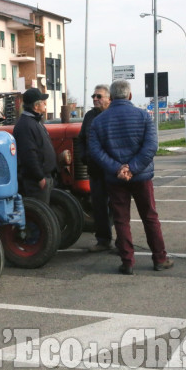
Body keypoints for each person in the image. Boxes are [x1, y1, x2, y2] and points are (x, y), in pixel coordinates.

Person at [88, 79, 173, 275]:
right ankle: (160, 258)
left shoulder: (99, 121)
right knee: (150, 217)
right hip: (141, 177)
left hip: (115, 179)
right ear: (130, 95)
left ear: (111, 96)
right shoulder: (143, 116)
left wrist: (118, 169)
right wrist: (132, 169)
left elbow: (95, 150)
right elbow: (151, 147)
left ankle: (127, 262)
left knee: (121, 220)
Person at [78, 84, 114, 253]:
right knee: (99, 207)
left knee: (117, 207)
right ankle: (103, 240)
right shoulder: (89, 116)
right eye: (93, 96)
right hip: (95, 170)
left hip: (113, 170)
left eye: (99, 96)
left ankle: (123, 242)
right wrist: (84, 157)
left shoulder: (114, 114)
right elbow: (81, 139)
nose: (95, 99)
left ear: (108, 98)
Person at [13, 88, 57, 204]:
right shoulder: (26, 125)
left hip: (45, 177)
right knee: (39, 216)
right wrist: (39, 178)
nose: (45, 103)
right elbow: (29, 154)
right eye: (43, 101)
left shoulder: (35, 122)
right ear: (36, 106)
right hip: (36, 181)